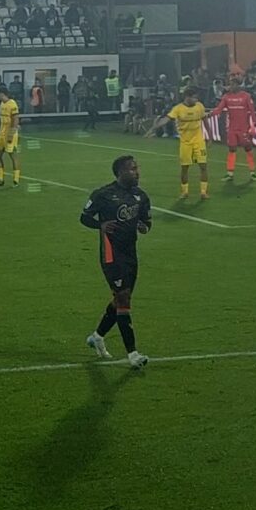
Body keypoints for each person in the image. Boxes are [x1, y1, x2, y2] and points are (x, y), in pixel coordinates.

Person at [79, 152, 153, 368]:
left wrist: (144, 227)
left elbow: (146, 222)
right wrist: (100, 225)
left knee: (121, 299)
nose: (137, 172)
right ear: (121, 172)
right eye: (132, 169)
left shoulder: (141, 196)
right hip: (111, 254)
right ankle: (133, 354)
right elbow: (84, 217)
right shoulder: (103, 195)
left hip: (130, 254)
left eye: (137, 168)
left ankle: (97, 336)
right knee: (123, 297)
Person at [163, 87, 211, 203]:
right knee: (185, 168)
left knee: (203, 166)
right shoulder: (178, 109)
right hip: (185, 142)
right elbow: (166, 119)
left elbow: (205, 121)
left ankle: (203, 192)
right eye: (194, 97)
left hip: (199, 141)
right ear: (187, 97)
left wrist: (210, 136)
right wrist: (154, 128)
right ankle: (184, 192)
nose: (196, 100)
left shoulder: (199, 106)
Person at [217, 78, 256, 185]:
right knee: (232, 149)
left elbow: (252, 111)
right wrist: (209, 114)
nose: (231, 86)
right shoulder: (227, 96)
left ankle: (252, 172)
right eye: (230, 84)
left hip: (244, 128)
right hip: (232, 128)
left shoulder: (246, 96)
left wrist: (253, 125)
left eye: (233, 84)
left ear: (238, 85)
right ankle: (230, 173)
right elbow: (219, 109)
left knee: (248, 148)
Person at [0, 85, 21, 187]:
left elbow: (16, 119)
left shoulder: (12, 103)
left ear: (2, 93)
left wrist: (12, 133)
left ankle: (16, 180)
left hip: (9, 133)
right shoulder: (1, 104)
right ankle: (0, 179)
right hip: (1, 133)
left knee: (12, 155)